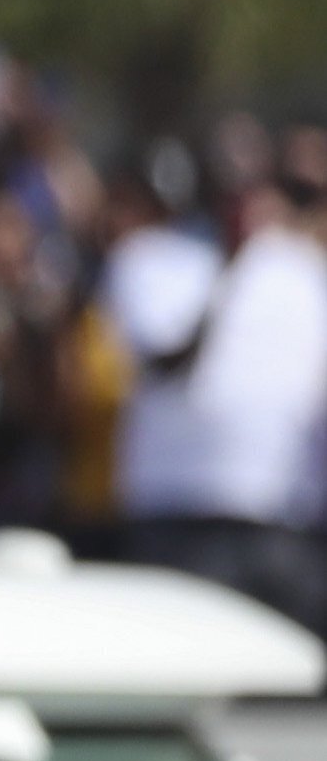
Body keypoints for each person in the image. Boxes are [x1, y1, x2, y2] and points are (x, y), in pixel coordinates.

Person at [115, 156, 327, 634]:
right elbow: (164, 360)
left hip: (283, 521)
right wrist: (228, 275)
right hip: (180, 517)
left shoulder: (306, 270)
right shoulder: (154, 261)